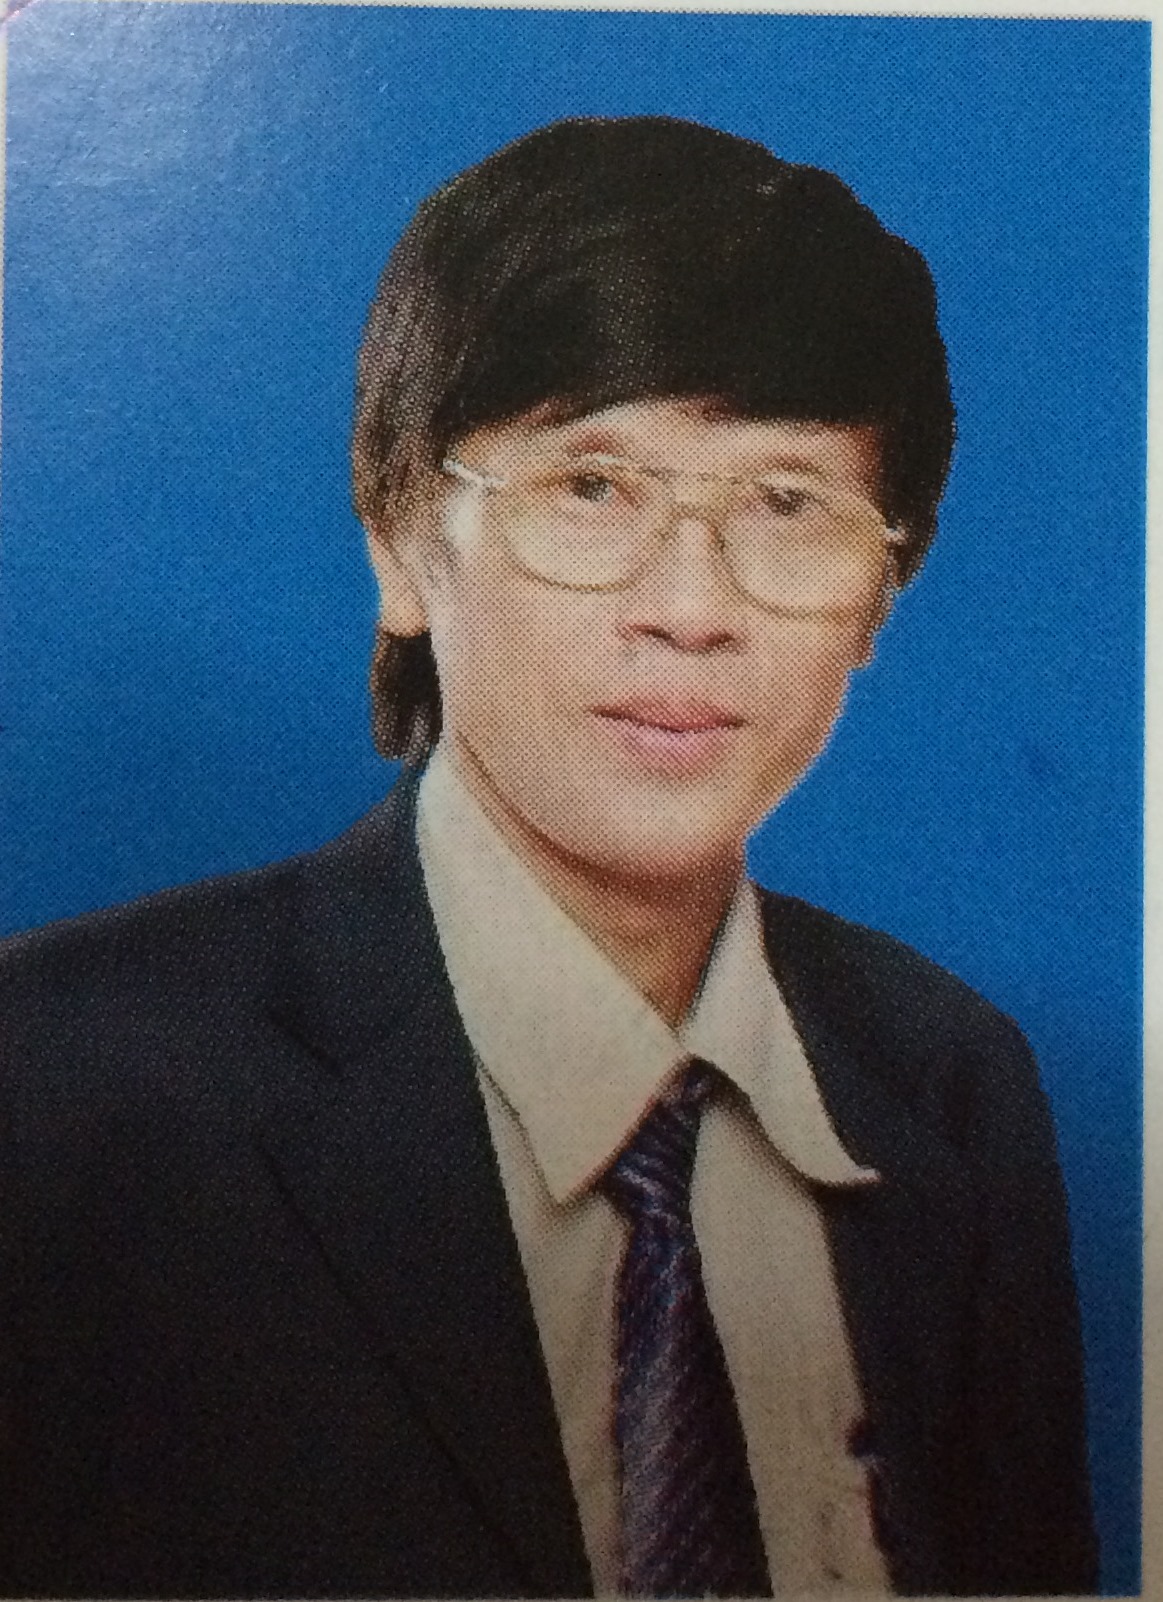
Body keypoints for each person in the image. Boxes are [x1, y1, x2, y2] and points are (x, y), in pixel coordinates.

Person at [0, 116, 1097, 1598]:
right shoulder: (62, 1081)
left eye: (787, 503)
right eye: (593, 487)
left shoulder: (951, 1087)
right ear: (402, 540)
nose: (691, 608)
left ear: (881, 587)